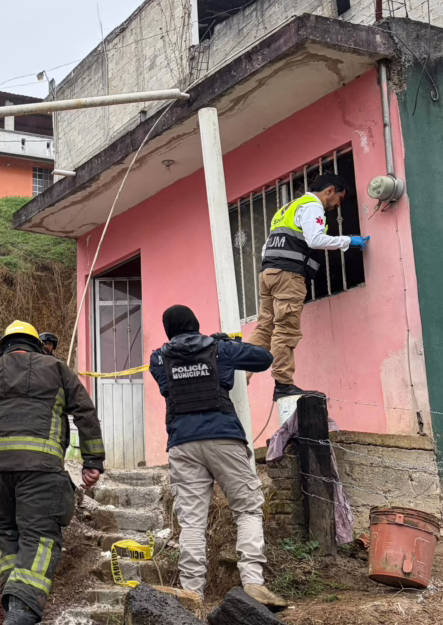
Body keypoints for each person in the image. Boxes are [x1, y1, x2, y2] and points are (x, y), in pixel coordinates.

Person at [0, 321, 106, 625]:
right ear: (36, 345)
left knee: (9, 534)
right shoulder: (56, 368)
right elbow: (85, 412)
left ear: (5, 346)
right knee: (40, 539)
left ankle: (14, 605)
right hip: (41, 471)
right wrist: (93, 461)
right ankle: (21, 613)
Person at [148, 305, 288, 609]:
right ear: (196, 324)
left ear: (168, 330)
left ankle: (192, 593)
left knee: (192, 522)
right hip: (224, 436)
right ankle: (252, 583)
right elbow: (264, 359)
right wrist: (227, 344)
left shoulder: (158, 358)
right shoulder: (220, 349)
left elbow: (166, 385)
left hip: (183, 443)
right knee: (248, 509)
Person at [249, 173, 367, 400]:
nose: (337, 206)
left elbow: (266, 248)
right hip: (287, 276)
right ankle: (283, 384)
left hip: (268, 273)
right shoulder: (313, 206)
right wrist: (348, 241)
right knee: (286, 329)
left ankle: (238, 377)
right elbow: (315, 240)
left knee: (265, 328)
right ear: (330, 190)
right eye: (339, 200)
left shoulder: (287, 208)